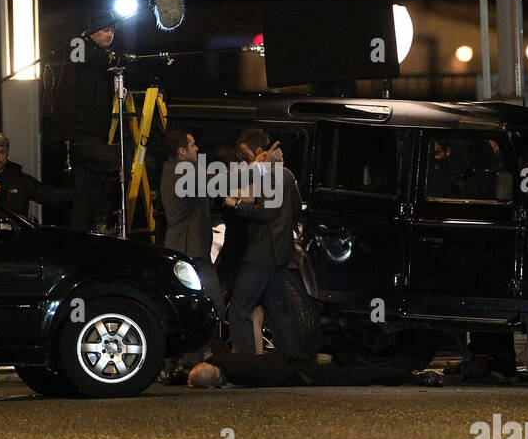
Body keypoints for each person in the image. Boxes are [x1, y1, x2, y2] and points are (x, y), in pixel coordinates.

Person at [223, 128, 304, 358]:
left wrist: (236, 203)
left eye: (245, 153)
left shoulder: (268, 175)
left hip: (261, 253)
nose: (244, 159)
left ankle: (248, 362)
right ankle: (295, 359)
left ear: (258, 151)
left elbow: (266, 212)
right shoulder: (287, 174)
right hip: (281, 252)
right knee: (277, 308)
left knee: (239, 308)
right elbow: (296, 207)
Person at [160, 128, 228, 383]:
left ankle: (184, 361)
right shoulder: (181, 172)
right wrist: (259, 169)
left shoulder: (177, 172)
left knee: (196, 305)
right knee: (210, 303)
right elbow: (218, 180)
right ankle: (189, 362)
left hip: (189, 249)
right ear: (181, 152)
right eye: (192, 145)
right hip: (189, 252)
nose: (197, 149)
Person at [58, 10, 124, 232]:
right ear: (93, 30)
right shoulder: (78, 45)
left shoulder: (101, 57)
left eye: (113, 30)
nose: (110, 35)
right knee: (118, 166)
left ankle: (86, 232)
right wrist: (113, 59)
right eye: (105, 29)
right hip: (79, 135)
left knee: (85, 194)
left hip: (96, 136)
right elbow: (83, 57)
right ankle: (106, 217)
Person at [186, 353, 445, 389]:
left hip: (305, 374)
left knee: (361, 375)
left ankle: (413, 376)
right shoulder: (227, 361)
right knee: (361, 372)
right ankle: (411, 374)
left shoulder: (238, 372)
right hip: (303, 369)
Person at [0, 131, 72, 220]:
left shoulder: (20, 179)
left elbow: (51, 196)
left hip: (15, 237)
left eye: (1, 152)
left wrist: (80, 194)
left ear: (7, 152)